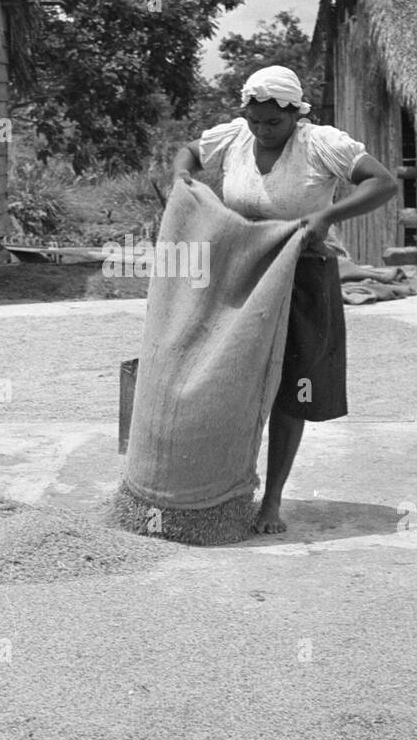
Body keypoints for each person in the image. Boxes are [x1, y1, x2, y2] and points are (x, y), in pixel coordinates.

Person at [171, 65, 398, 534]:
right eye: (254, 120)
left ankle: (271, 500)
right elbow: (189, 153)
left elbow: (384, 182)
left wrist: (329, 216)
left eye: (272, 123)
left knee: (291, 388)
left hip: (301, 273)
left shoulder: (321, 144)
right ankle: (213, 490)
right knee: (225, 376)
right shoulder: (234, 137)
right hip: (240, 270)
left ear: (295, 114)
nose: (262, 131)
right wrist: (183, 181)